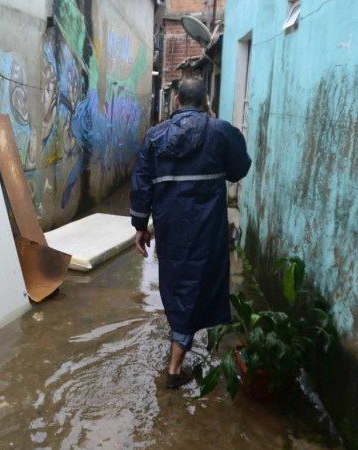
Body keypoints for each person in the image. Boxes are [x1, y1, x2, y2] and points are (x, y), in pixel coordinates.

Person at [129, 78, 251, 389]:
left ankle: (177, 349)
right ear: (207, 102)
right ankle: (174, 368)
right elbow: (239, 169)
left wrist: (140, 226)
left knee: (178, 284)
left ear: (176, 102)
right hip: (208, 230)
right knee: (201, 284)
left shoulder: (155, 138)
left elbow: (141, 183)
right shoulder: (221, 132)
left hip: (171, 231)